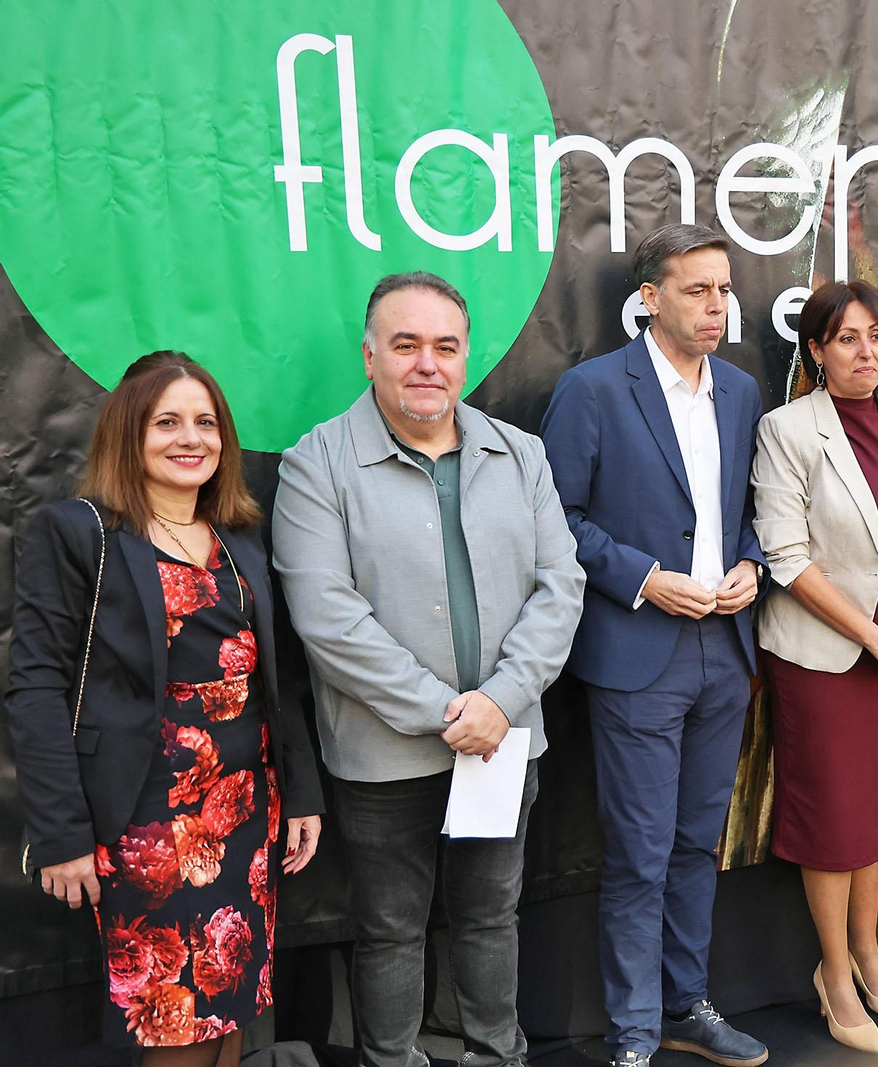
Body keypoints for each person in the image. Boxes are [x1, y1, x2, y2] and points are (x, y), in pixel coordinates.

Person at [273, 272, 584, 1067]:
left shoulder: (521, 454)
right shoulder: (318, 465)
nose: (426, 363)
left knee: (489, 917)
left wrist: (501, 702)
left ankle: (496, 1055)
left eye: (444, 346)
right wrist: (451, 712)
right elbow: (327, 619)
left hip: (501, 743)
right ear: (370, 355)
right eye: (405, 344)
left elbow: (562, 587)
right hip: (385, 755)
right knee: (389, 928)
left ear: (466, 356)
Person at [6, 351, 324, 1064]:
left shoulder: (239, 538)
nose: (191, 438)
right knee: (176, 1018)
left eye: (206, 422)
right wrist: (60, 835)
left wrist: (301, 793)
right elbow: (34, 688)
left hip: (243, 816)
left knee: (229, 998)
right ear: (130, 433)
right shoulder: (78, 533)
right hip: (148, 825)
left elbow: (280, 679)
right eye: (168, 422)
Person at [540, 224, 769, 1067]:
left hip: (726, 650)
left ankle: (686, 1004)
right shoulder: (594, 390)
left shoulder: (742, 391)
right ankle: (634, 1032)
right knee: (639, 849)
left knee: (695, 842)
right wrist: (644, 578)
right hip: (640, 651)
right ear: (650, 296)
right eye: (698, 289)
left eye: (724, 289)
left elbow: (743, 509)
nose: (717, 306)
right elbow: (558, 518)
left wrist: (751, 563)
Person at [750, 280, 878, 1054]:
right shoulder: (787, 429)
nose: (866, 351)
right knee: (833, 823)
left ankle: (869, 951)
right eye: (847, 339)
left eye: (877, 335)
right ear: (816, 350)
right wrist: (877, 635)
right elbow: (787, 558)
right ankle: (834, 971)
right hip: (827, 655)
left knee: (874, 813)